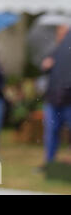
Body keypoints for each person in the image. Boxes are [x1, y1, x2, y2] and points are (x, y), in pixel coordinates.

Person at [40, 24, 71, 167]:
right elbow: (44, 68)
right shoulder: (53, 51)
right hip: (53, 99)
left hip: (68, 100)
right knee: (51, 133)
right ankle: (49, 163)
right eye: (60, 33)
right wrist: (46, 65)